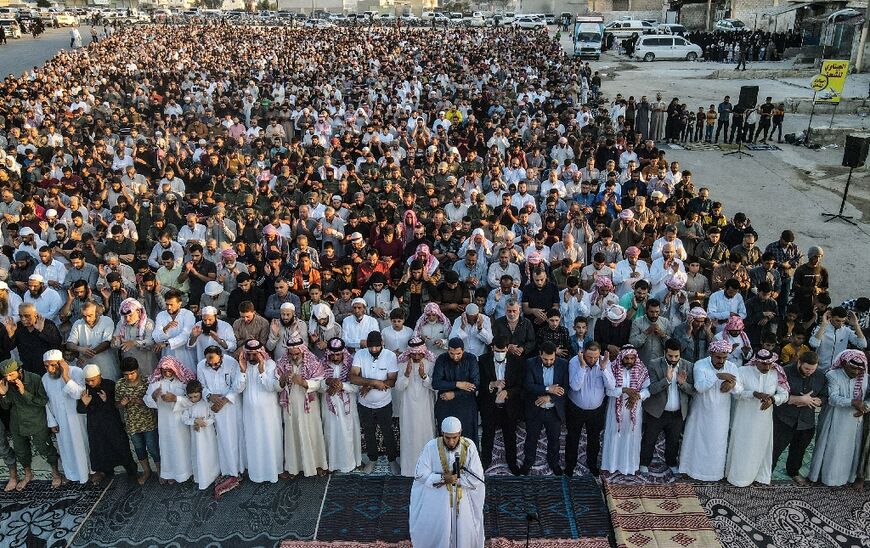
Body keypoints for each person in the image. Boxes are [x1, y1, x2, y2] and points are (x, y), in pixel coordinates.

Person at [408, 416, 486, 548]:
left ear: (460, 433)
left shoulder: (469, 446)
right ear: (442, 433)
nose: (451, 442)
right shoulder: (431, 447)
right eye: (447, 437)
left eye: (454, 438)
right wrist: (443, 479)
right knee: (439, 528)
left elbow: (476, 477)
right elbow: (420, 474)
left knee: (464, 531)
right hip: (438, 497)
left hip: (462, 496)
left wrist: (457, 480)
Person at [679, 339, 743, 481]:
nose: (721, 361)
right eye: (718, 357)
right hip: (701, 412)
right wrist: (717, 376)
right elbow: (700, 387)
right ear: (711, 353)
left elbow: (740, 391)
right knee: (696, 441)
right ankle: (690, 470)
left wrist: (732, 385)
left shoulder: (731, 366)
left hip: (721, 414)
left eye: (724, 357)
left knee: (717, 443)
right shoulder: (700, 365)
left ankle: (714, 474)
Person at [725, 349, 789, 486]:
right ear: (756, 362)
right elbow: (737, 393)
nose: (767, 367)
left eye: (769, 364)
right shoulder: (743, 371)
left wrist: (772, 399)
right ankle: (739, 478)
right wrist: (754, 394)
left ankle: (758, 476)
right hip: (744, 418)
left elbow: (785, 395)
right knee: (743, 445)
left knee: (760, 446)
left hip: (763, 420)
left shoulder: (775, 373)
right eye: (764, 364)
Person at [808, 350, 869, 487]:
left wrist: (865, 407)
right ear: (844, 363)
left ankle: (847, 478)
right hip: (834, 418)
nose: (855, 372)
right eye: (852, 367)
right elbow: (833, 398)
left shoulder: (865, 377)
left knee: (850, 450)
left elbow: (868, 398)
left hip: (854, 421)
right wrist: (853, 402)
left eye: (859, 369)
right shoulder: (832, 375)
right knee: (832, 448)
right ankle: (825, 478)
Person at [0, 358, 63, 490]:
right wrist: (4, 395)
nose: (9, 378)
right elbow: (6, 407)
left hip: (36, 420)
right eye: (6, 376)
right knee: (21, 451)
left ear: (19, 370)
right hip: (17, 422)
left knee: (45, 448)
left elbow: (42, 401)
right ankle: (28, 475)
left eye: (11, 374)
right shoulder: (6, 383)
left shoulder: (34, 379)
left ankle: (55, 472)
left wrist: (24, 393)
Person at [78, 363, 139, 484]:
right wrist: (84, 403)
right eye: (87, 381)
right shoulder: (84, 389)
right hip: (95, 426)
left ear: (99, 376)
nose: (90, 383)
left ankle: (132, 471)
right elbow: (80, 410)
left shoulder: (110, 385)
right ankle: (105, 472)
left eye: (92, 380)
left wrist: (106, 400)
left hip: (112, 424)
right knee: (100, 449)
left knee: (121, 446)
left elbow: (117, 405)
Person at [640, 339, 694, 475]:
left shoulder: (688, 366)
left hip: (677, 413)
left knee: (674, 441)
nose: (673, 359)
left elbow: (693, 391)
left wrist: (682, 384)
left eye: (676, 356)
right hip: (657, 411)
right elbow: (651, 389)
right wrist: (667, 380)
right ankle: (644, 463)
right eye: (670, 356)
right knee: (649, 439)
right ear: (665, 353)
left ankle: (671, 462)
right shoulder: (654, 364)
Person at [772, 351, 827, 485]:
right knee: (775, 448)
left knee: (799, 450)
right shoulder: (785, 372)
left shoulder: (820, 376)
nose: (809, 372)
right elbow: (774, 394)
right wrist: (798, 399)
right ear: (799, 362)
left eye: (812, 369)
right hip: (784, 419)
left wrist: (818, 401)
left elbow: (825, 396)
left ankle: (793, 472)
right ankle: (767, 472)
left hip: (806, 421)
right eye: (806, 368)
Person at [350, 330, 400, 474]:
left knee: (387, 431)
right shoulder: (360, 354)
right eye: (371, 347)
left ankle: (392, 460)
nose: (373, 350)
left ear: (382, 344)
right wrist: (373, 382)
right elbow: (353, 377)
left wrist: (369, 385)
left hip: (384, 403)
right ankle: (372, 459)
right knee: (368, 431)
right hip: (364, 404)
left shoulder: (390, 356)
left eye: (376, 347)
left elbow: (392, 380)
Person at [277, 337, 328, 477]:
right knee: (292, 435)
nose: (294, 357)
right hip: (290, 405)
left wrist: (304, 382)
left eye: (297, 354)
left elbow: (320, 383)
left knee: (312, 433)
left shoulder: (313, 362)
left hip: (309, 405)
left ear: (303, 352)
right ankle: (294, 467)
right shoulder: (281, 364)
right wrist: (282, 379)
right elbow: (276, 384)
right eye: (291, 354)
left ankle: (318, 464)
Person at [41, 350, 89, 485]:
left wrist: (66, 375)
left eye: (53, 365)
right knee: (66, 448)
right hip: (60, 420)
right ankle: (72, 474)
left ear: (61, 363)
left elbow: (79, 395)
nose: (50, 369)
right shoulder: (45, 379)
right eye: (46, 366)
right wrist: (51, 422)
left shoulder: (76, 372)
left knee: (83, 445)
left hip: (77, 419)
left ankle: (90, 473)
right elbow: (47, 402)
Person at [145, 356, 195, 484]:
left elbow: (191, 401)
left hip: (181, 423)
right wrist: (154, 396)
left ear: (175, 369)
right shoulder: (155, 383)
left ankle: (186, 473)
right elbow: (147, 401)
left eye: (170, 370)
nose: (167, 373)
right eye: (164, 370)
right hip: (164, 422)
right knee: (167, 448)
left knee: (183, 447)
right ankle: (170, 474)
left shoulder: (183, 383)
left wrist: (176, 399)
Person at [521, 341, 569, 475]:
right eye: (545, 359)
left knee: (554, 439)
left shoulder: (563, 364)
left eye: (552, 359)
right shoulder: (530, 363)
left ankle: (554, 462)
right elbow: (528, 385)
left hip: (554, 410)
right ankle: (528, 461)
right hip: (535, 409)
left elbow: (566, 387)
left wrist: (549, 397)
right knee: (531, 438)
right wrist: (548, 389)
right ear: (539, 354)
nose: (549, 362)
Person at [601, 345, 650, 475]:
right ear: (621, 357)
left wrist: (637, 396)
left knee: (631, 437)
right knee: (614, 435)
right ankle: (610, 465)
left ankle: (629, 467)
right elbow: (608, 390)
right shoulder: (613, 368)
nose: (629, 361)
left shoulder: (641, 369)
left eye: (632, 358)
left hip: (634, 408)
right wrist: (623, 390)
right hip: (616, 408)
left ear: (635, 358)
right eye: (626, 358)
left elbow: (647, 389)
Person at [478, 335, 523, 474]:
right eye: (497, 350)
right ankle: (485, 462)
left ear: (507, 349)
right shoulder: (482, 361)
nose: (500, 353)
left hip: (508, 408)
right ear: (492, 348)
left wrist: (508, 393)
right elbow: (478, 382)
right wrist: (491, 385)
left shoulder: (516, 362)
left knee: (510, 436)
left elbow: (520, 386)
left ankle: (512, 463)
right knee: (487, 436)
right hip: (489, 406)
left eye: (503, 350)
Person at [394, 336, 436, 476]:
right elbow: (399, 388)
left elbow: (434, 387)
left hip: (425, 407)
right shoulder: (402, 365)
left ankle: (427, 469)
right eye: (414, 354)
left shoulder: (430, 364)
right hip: (408, 408)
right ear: (409, 353)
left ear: (424, 352)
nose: (417, 356)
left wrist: (424, 376)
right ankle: (409, 470)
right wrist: (406, 374)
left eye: (419, 354)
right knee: (409, 435)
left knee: (426, 435)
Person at [319, 338, 362, 473]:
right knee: (331, 433)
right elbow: (317, 385)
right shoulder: (322, 364)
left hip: (347, 404)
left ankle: (352, 463)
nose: (336, 357)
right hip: (329, 405)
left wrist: (341, 386)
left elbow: (356, 387)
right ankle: (332, 464)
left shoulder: (351, 364)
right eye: (333, 354)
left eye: (338, 354)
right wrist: (327, 383)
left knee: (349, 432)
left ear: (343, 353)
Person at [116, 357, 160, 485]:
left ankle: (160, 470)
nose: (129, 377)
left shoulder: (147, 381)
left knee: (153, 448)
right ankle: (146, 471)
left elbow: (155, 402)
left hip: (149, 422)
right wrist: (121, 403)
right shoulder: (120, 384)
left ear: (138, 370)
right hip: (132, 423)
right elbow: (117, 404)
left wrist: (141, 401)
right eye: (126, 374)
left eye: (132, 373)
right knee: (139, 448)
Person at [432, 337, 480, 447]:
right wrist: (457, 384)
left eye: (458, 353)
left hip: (466, 405)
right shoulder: (442, 359)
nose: (455, 357)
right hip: (446, 405)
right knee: (447, 437)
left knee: (467, 439)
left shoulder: (471, 359)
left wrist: (454, 394)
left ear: (463, 350)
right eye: (452, 353)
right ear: (448, 350)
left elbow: (475, 385)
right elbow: (436, 383)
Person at [179, 379, 220, 490]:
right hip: (196, 438)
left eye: (195, 396)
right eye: (190, 397)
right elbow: (184, 418)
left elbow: (213, 417)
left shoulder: (206, 403)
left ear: (201, 394)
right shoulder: (188, 405)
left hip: (208, 436)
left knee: (210, 454)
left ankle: (212, 475)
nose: (193, 399)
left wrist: (204, 423)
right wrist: (195, 421)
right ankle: (200, 476)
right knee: (198, 455)